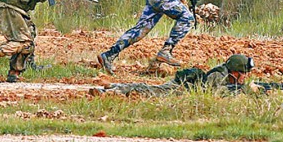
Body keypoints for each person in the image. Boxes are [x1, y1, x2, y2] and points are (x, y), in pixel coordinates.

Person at [94, 54, 255, 97]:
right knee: (150, 91)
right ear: (235, 71)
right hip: (180, 88)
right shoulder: (219, 75)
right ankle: (112, 90)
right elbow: (215, 93)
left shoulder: (224, 72)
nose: (244, 77)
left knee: (151, 89)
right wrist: (244, 90)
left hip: (182, 87)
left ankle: (115, 87)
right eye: (243, 74)